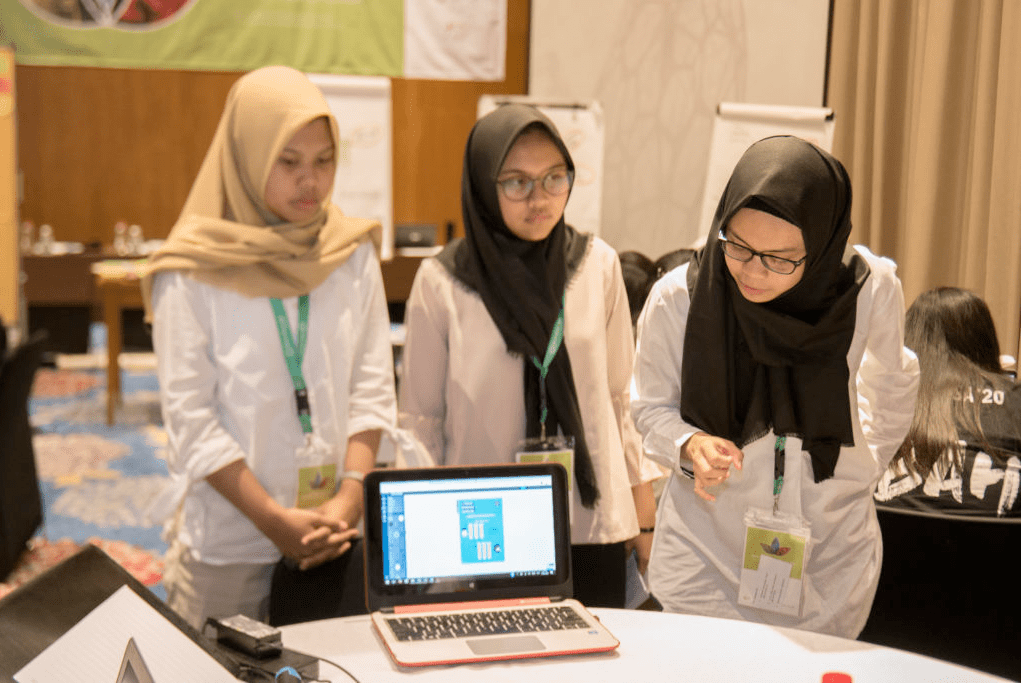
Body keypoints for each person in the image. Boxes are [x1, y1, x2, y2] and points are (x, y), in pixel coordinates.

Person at [631, 135, 919, 638]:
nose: (753, 272)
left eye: (780, 258)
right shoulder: (681, 297)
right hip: (707, 547)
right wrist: (689, 444)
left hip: (829, 551)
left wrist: (862, 465)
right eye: (738, 246)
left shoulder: (866, 289)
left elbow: (892, 383)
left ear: (822, 245)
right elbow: (649, 407)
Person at [144, 65, 396, 628]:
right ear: (247, 155)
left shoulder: (349, 254)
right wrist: (272, 520)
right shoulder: (191, 269)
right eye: (288, 161)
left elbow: (373, 385)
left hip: (333, 534)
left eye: (324, 160)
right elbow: (191, 419)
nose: (311, 181)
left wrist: (348, 499)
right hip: (231, 545)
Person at [398, 104, 660, 607]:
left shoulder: (597, 265)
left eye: (554, 178)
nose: (539, 199)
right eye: (517, 182)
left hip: (589, 521)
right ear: (483, 185)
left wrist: (642, 513)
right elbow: (420, 421)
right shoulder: (443, 281)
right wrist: (421, 540)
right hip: (481, 529)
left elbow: (618, 399)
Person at [875, 287, 1021, 516]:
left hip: (889, 539)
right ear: (985, 342)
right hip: (998, 539)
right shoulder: (1015, 399)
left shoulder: (879, 398)